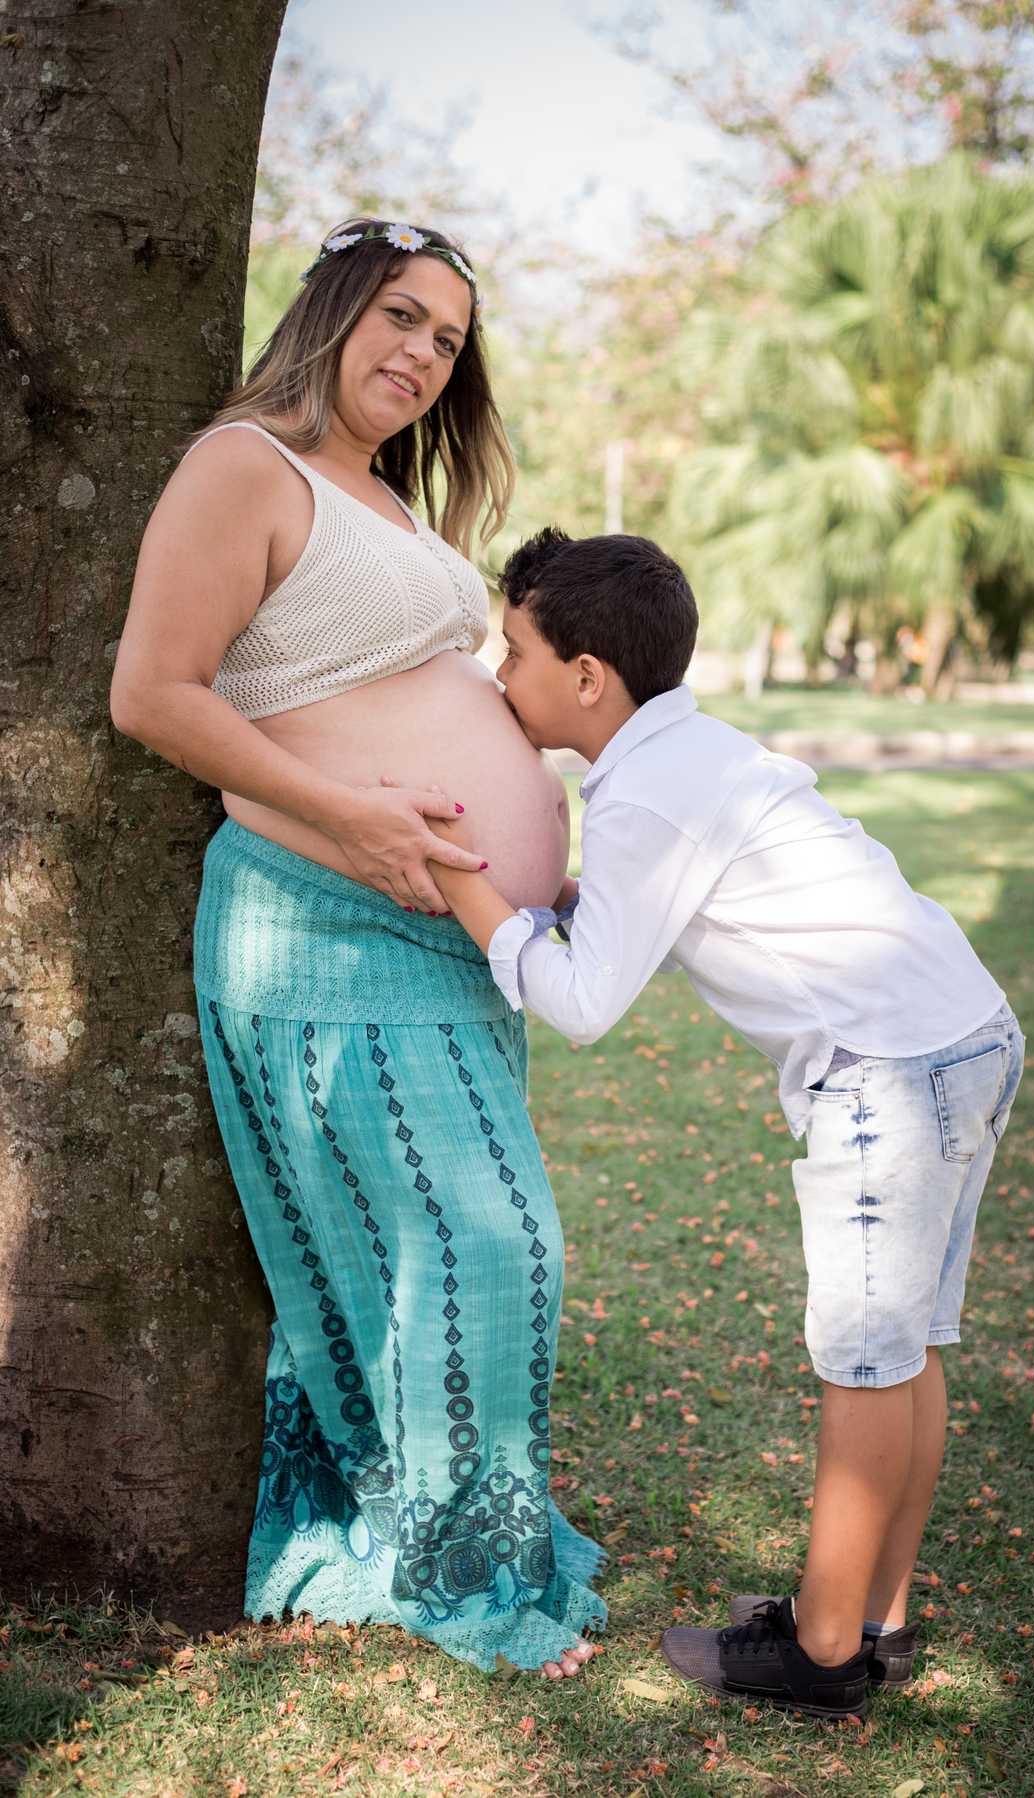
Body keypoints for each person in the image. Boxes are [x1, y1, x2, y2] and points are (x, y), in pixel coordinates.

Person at [109, 226, 605, 1677]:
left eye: (448, 340)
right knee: (490, 1240)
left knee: (458, 1243)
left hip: (444, 935)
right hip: (325, 917)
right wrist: (360, 820)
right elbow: (154, 689)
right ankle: (458, 1566)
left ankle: (463, 1526)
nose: (421, 353)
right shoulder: (242, 467)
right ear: (331, 307)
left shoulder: (379, 496)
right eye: (400, 315)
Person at [422, 527, 1025, 1717]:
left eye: (516, 651)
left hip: (891, 1069)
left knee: (864, 1357)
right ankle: (873, 1621)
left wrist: (458, 881)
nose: (503, 677)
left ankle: (817, 1651)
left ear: (588, 677)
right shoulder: (688, 752)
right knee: (906, 1349)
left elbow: (584, 1005)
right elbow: (659, 917)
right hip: (965, 1030)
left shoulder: (641, 787)